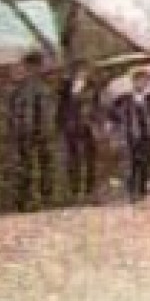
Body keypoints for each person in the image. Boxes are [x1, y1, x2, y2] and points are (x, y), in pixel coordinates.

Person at [106, 65, 150, 202]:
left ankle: (141, 191)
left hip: (148, 135)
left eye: (146, 81)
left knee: (145, 163)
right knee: (131, 164)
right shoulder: (123, 99)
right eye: (141, 80)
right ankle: (131, 193)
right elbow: (112, 115)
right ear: (134, 81)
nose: (144, 84)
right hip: (131, 135)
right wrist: (116, 131)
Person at [7, 50, 54, 211]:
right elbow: (18, 112)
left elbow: (41, 112)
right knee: (29, 166)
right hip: (29, 132)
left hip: (33, 132)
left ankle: (33, 199)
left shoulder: (33, 87)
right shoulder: (26, 88)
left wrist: (39, 130)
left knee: (33, 166)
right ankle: (30, 199)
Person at [56, 58, 98, 203]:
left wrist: (96, 123)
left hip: (87, 126)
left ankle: (89, 191)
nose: (83, 73)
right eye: (81, 70)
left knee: (90, 158)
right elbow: (61, 107)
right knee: (73, 159)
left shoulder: (93, 87)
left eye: (85, 70)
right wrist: (61, 125)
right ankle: (74, 190)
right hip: (71, 126)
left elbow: (96, 106)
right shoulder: (65, 87)